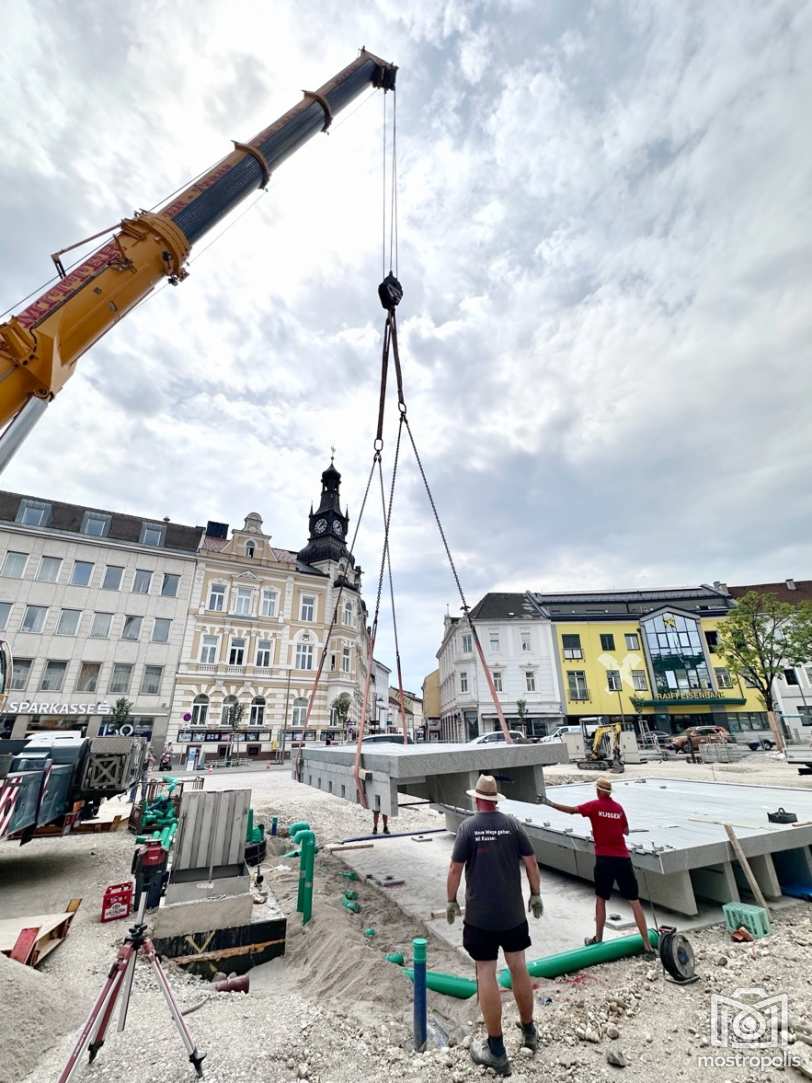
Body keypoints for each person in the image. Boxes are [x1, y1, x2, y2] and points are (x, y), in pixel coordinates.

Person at [447, 774, 543, 1076]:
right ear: (495, 800)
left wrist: (451, 899)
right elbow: (531, 862)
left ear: (477, 799)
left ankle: (497, 1049)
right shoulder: (513, 825)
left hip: (481, 918)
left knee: (486, 972)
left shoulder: (468, 828)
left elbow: (454, 868)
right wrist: (536, 894)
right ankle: (529, 1031)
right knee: (518, 967)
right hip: (513, 914)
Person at [541, 776, 655, 953]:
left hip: (604, 859)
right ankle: (647, 945)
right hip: (623, 859)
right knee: (634, 901)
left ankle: (598, 939)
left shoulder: (594, 806)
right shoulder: (618, 808)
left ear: (599, 791)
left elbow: (572, 810)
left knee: (601, 899)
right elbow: (625, 831)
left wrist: (549, 803)